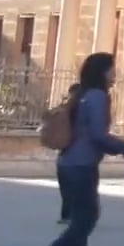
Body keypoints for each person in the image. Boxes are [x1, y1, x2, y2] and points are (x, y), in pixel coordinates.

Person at [35, 54, 124, 246]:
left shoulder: (81, 94)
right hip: (82, 165)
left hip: (67, 163)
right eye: (112, 69)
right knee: (86, 219)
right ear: (102, 72)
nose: (115, 74)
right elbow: (98, 134)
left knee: (79, 220)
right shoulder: (98, 96)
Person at [56, 84, 81, 224]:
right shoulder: (82, 109)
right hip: (77, 155)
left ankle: (66, 215)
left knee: (66, 188)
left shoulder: (64, 108)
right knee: (76, 187)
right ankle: (74, 214)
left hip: (64, 154)